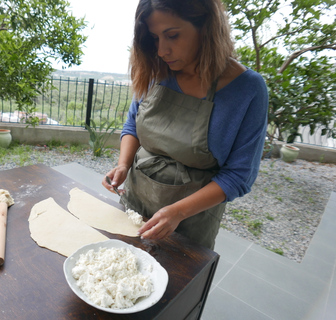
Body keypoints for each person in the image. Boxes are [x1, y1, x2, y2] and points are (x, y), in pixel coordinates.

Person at [102, 0, 268, 250]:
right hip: (135, 201)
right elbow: (133, 125)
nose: (161, 51)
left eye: (172, 35)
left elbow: (239, 175)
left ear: (206, 27)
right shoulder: (155, 70)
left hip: (191, 220)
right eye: (155, 38)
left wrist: (178, 212)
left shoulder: (247, 89)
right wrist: (123, 165)